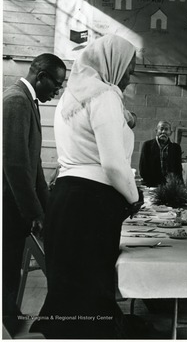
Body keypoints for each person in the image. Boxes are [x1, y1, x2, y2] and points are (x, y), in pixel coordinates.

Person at [30, 35, 143, 339]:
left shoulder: (71, 96)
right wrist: (134, 198)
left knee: (69, 286)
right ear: (112, 63)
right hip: (93, 202)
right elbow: (112, 164)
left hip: (66, 198)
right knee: (91, 287)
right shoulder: (105, 95)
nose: (129, 79)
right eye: (129, 70)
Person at [3, 53, 66, 335]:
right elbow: (15, 165)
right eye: (56, 83)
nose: (58, 89)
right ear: (41, 76)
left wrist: (46, 208)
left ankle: (9, 315)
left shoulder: (30, 102)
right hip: (9, 205)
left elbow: (34, 162)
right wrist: (33, 212)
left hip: (17, 204)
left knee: (13, 266)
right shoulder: (16, 100)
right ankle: (5, 323)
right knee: (6, 267)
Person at [139, 121, 183, 187]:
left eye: (166, 129)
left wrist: (179, 184)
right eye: (161, 129)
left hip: (170, 186)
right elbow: (143, 168)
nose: (163, 132)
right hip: (151, 185)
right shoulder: (147, 145)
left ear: (170, 133)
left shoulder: (176, 148)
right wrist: (150, 183)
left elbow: (178, 169)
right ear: (156, 131)